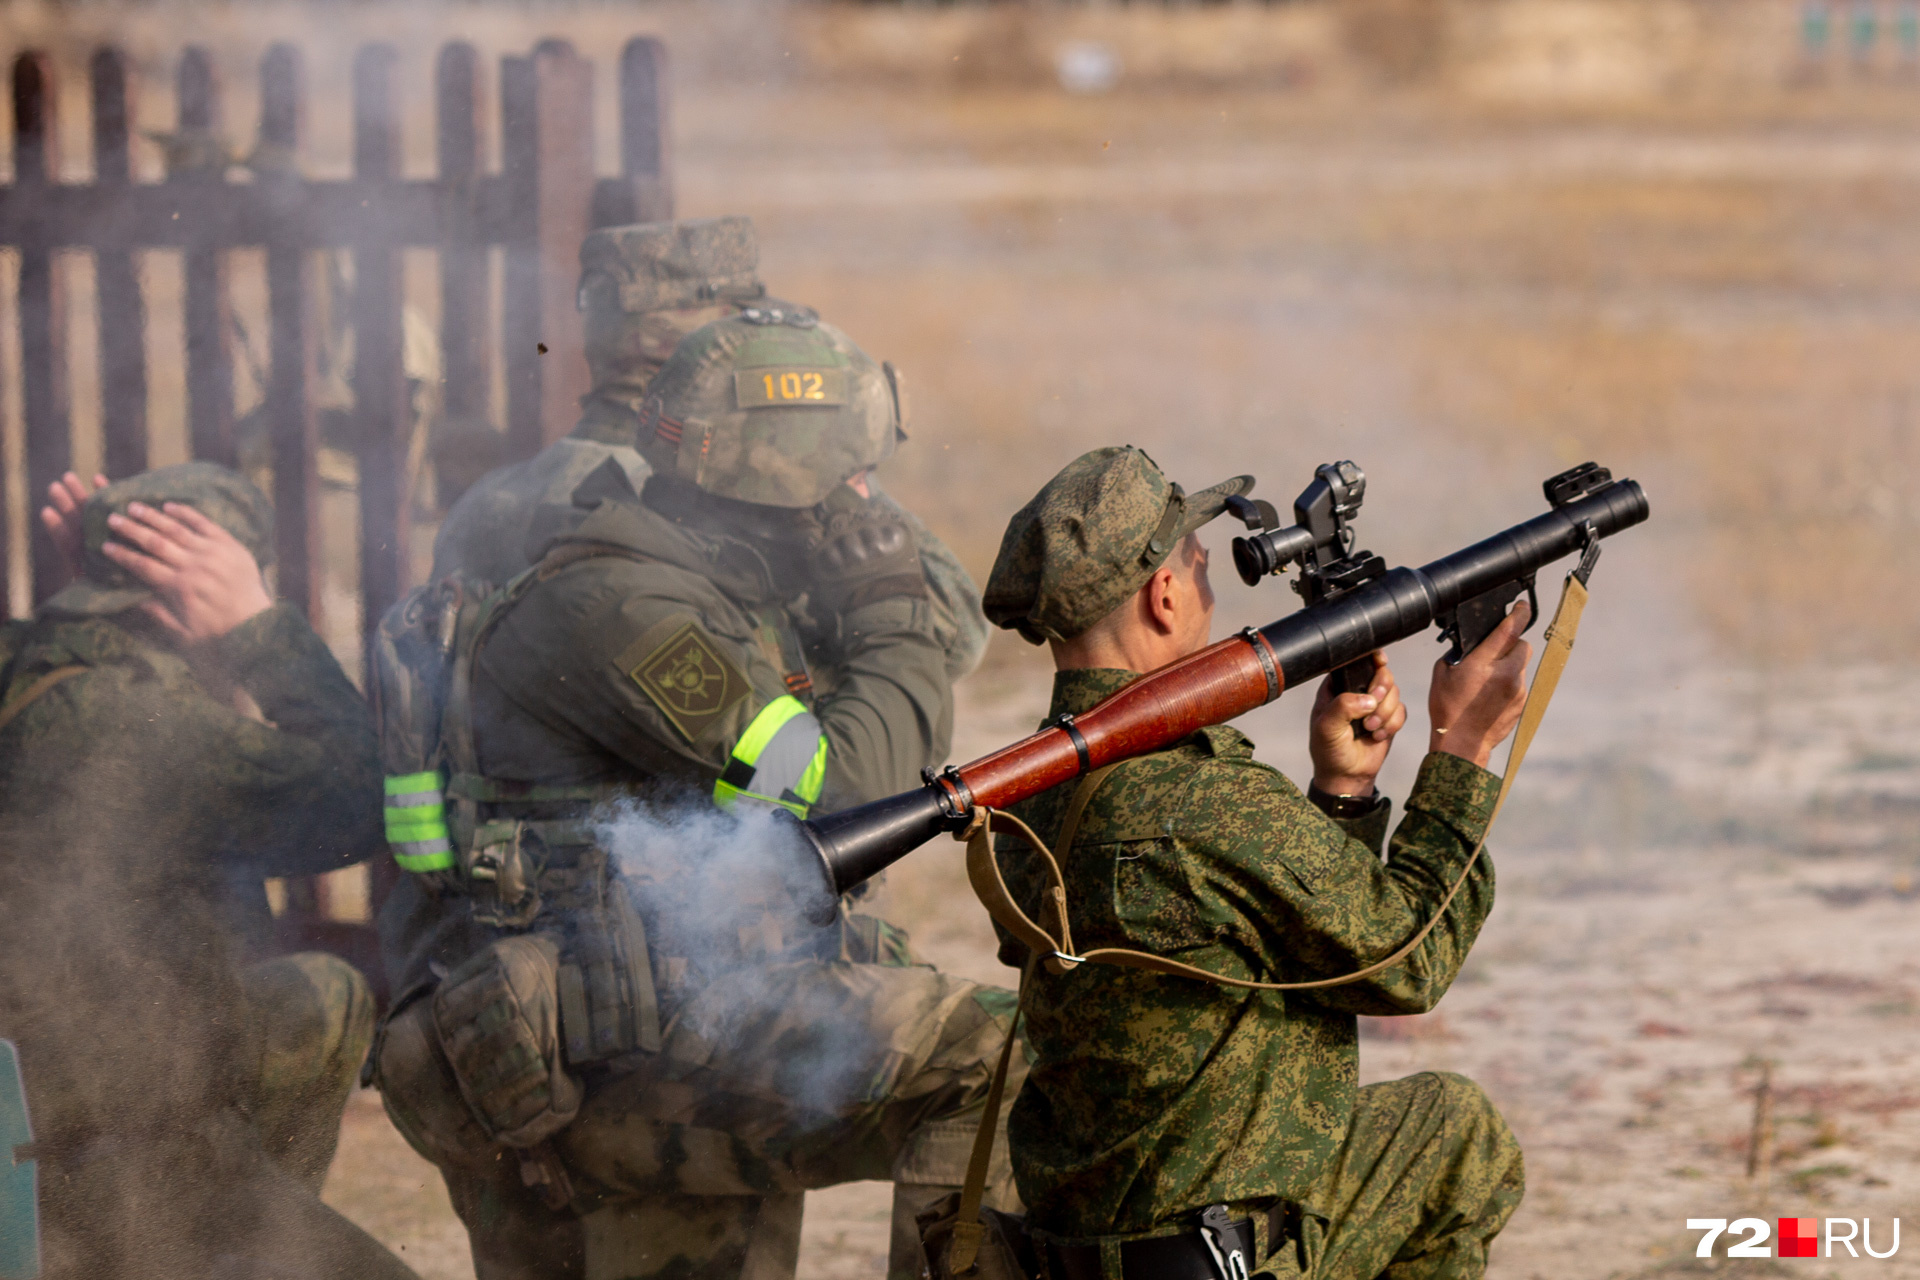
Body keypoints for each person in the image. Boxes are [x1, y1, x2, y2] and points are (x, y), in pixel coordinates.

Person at [374, 310, 1021, 1280]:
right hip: (606, 1063)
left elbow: (950, 648)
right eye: (846, 476)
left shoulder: (708, 580)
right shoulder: (622, 609)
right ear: (782, 475)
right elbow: (839, 789)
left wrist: (877, 608)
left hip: (666, 1023)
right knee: (1002, 1058)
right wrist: (887, 620)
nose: (860, 497)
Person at [977, 446, 1528, 1280]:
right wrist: (1464, 748)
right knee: (1460, 1143)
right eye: (1198, 564)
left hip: (1099, 1235)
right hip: (1216, 1243)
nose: (1208, 582)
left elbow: (1274, 937)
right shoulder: (1202, 801)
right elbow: (1405, 962)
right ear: (1164, 597)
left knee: (1438, 1123)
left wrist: (1342, 792)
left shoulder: (1029, 796)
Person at [1, 464, 417, 1279]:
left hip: (40, 1106)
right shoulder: (138, 728)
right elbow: (356, 802)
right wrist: (260, 629)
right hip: (102, 1150)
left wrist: (99, 571)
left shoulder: (35, 674)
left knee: (320, 997)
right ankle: (200, 1248)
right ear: (176, 603)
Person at [431, 215, 989, 684]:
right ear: (706, 343)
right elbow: (958, 637)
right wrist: (839, 478)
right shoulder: (730, 502)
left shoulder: (491, 504)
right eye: (744, 322)